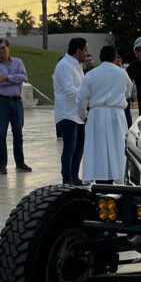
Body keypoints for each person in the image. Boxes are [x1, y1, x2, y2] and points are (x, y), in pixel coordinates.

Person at [79, 45, 130, 184]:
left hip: (97, 114)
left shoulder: (91, 74)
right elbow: (128, 92)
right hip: (116, 114)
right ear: (115, 57)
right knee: (118, 146)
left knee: (98, 146)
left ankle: (101, 177)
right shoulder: (122, 73)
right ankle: (118, 175)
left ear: (100, 58)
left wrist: (83, 114)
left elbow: (82, 98)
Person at [0, 38, 31, 174]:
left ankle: (20, 163)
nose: (2, 50)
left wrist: (6, 78)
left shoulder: (18, 62)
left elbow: (24, 77)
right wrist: (14, 78)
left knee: (18, 133)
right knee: (1, 134)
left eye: (3, 47)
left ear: (8, 48)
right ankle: (1, 166)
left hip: (16, 102)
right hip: (2, 102)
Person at [54, 37, 89, 185]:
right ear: (78, 50)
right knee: (70, 147)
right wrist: (87, 98)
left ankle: (75, 176)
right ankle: (67, 178)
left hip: (78, 113)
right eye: (85, 50)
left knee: (80, 146)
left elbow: (81, 87)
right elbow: (69, 90)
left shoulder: (77, 65)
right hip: (67, 113)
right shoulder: (64, 65)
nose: (87, 53)